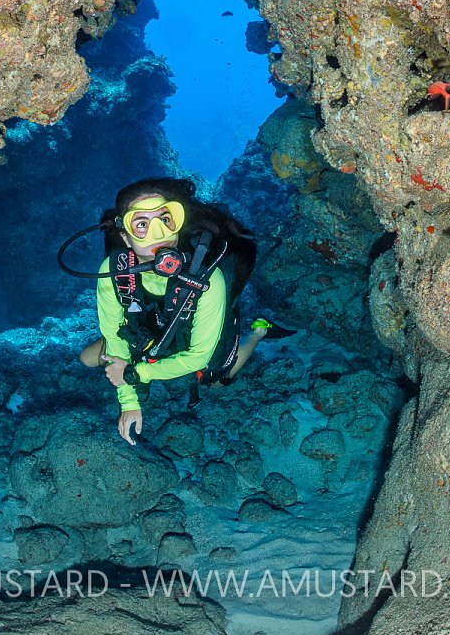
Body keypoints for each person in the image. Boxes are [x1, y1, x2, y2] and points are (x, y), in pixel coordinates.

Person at [77, 177, 291, 446]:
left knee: (217, 380)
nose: (159, 235)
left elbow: (198, 357)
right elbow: (113, 334)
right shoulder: (113, 270)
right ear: (125, 238)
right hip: (149, 330)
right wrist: (128, 401)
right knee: (89, 358)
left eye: (165, 219)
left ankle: (260, 331)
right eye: (141, 224)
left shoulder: (208, 279)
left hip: (190, 331)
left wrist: (135, 373)